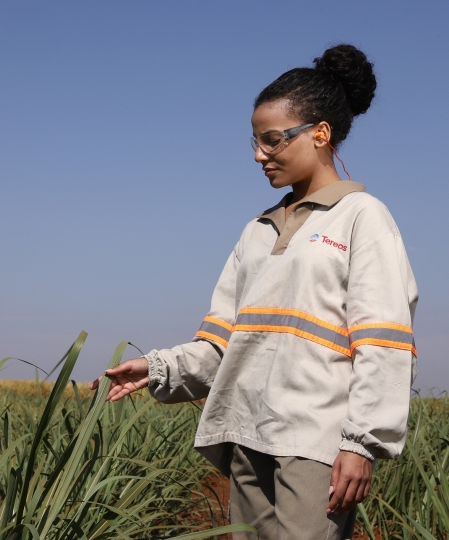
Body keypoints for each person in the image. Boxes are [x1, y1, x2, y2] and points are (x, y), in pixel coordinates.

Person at [90, 44, 418, 540]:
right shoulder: (257, 230)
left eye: (272, 140)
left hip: (315, 443)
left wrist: (362, 443)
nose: (260, 155)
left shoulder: (363, 217)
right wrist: (159, 368)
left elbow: (384, 340)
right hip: (245, 432)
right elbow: (222, 340)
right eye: (255, 142)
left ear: (320, 134)